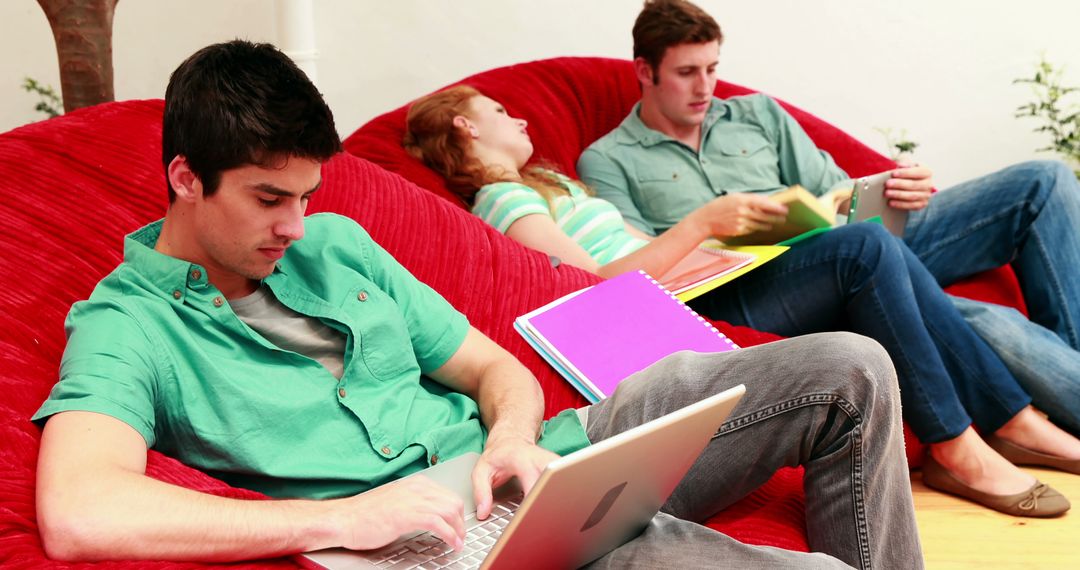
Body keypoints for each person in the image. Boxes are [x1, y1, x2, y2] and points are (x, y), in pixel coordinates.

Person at [31, 40, 923, 569]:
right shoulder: (128, 326)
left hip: (548, 456)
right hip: (450, 542)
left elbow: (493, 367)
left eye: (306, 196)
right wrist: (338, 519)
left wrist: (508, 441)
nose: (296, 226)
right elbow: (79, 514)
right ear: (185, 178)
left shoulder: (336, 244)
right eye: (270, 200)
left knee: (852, 365)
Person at [403, 83, 1080, 518]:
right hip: (680, 322)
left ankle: (1012, 423)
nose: (519, 115)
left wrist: (753, 238)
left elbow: (649, 255)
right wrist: (700, 223)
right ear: (464, 125)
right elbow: (592, 290)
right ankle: (967, 443)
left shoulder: (554, 188)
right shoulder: (505, 200)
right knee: (867, 253)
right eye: (499, 112)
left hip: (701, 286)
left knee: (869, 246)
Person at [577, 0, 1080, 440]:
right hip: (781, 280)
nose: (705, 87)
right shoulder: (609, 159)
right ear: (645, 71)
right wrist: (709, 224)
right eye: (688, 72)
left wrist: (896, 190)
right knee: (982, 315)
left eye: (712, 68)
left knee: (1044, 179)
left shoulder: (758, 114)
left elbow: (838, 193)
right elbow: (642, 267)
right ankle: (1026, 423)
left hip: (849, 239)